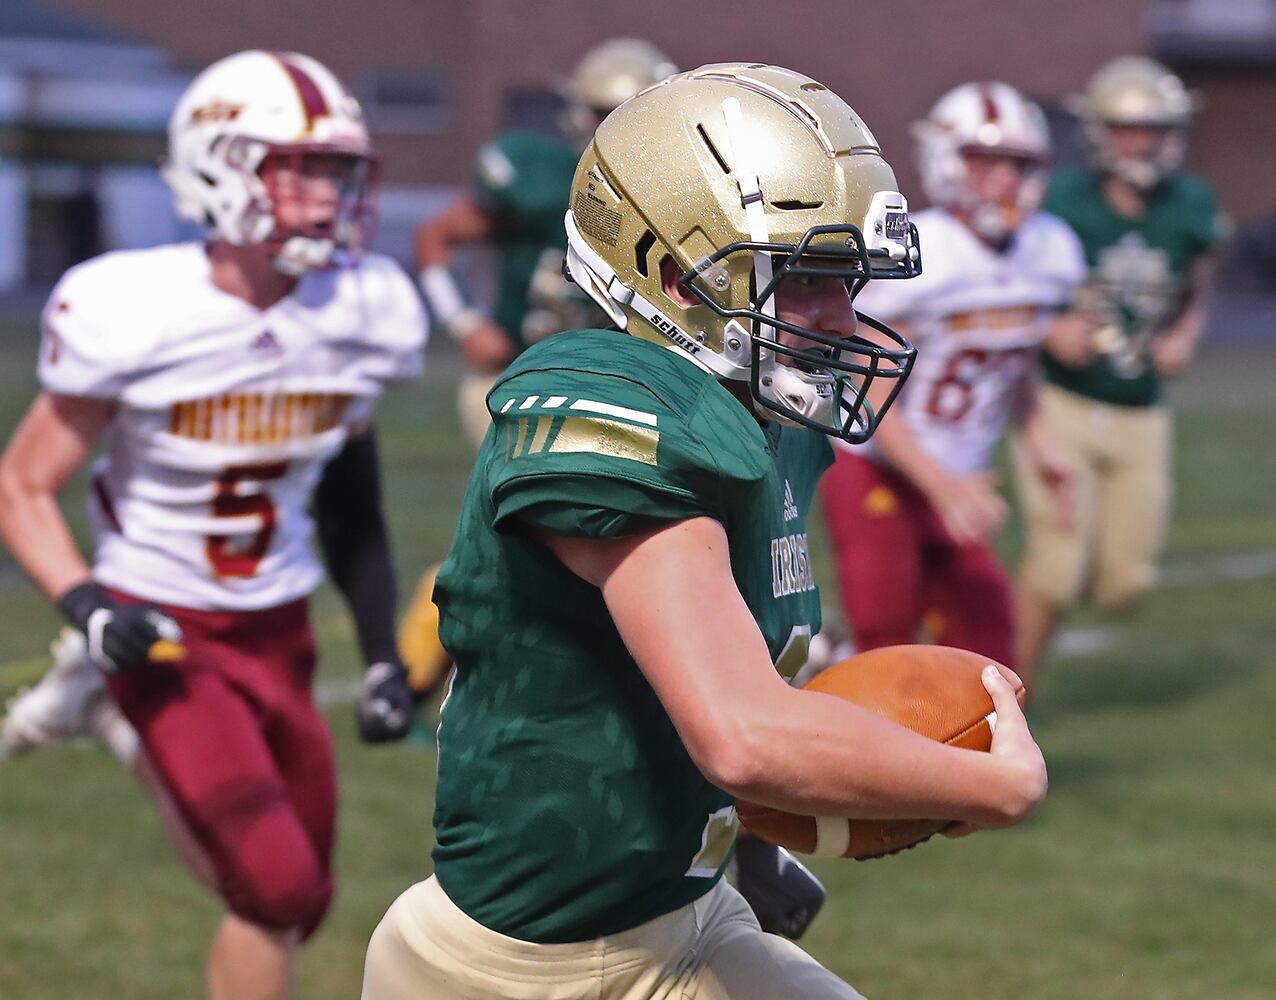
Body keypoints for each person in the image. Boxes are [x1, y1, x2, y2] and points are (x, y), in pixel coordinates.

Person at [361, 63, 1047, 1000]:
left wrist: (747, 846)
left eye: (846, 280)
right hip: (520, 972)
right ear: (676, 276)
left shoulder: (771, 417)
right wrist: (994, 786)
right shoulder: (617, 407)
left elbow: (721, 685)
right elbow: (744, 735)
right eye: (805, 280)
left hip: (679, 915)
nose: (843, 318)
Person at [0, 50, 426, 1000]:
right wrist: (88, 605)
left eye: (339, 169)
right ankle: (111, 695)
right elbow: (21, 485)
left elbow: (350, 499)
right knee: (272, 887)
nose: (330, 193)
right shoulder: (135, 307)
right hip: (161, 627)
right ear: (219, 167)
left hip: (279, 624)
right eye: (301, 167)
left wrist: (383, 651)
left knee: (304, 900)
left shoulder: (363, 311)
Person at [819, 82, 1086, 678]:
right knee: (884, 639)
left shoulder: (1050, 249)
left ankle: (959, 764)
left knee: (990, 651)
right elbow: (871, 396)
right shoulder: (921, 249)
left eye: (1017, 164)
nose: (1003, 179)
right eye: (984, 161)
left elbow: (1009, 359)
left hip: (957, 479)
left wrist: (1043, 449)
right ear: (947, 160)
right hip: (876, 464)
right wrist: (943, 487)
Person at [1012, 56, 1228, 684]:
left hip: (1141, 407)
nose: (1144, 142)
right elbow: (1009, 279)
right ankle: (1002, 702)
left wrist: (1188, 332)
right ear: (1100, 132)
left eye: (1156, 129)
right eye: (1131, 129)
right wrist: (1049, 327)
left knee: (1123, 587)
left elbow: (1200, 284)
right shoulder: (1060, 202)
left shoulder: (1190, 203)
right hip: (1062, 404)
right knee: (1057, 568)